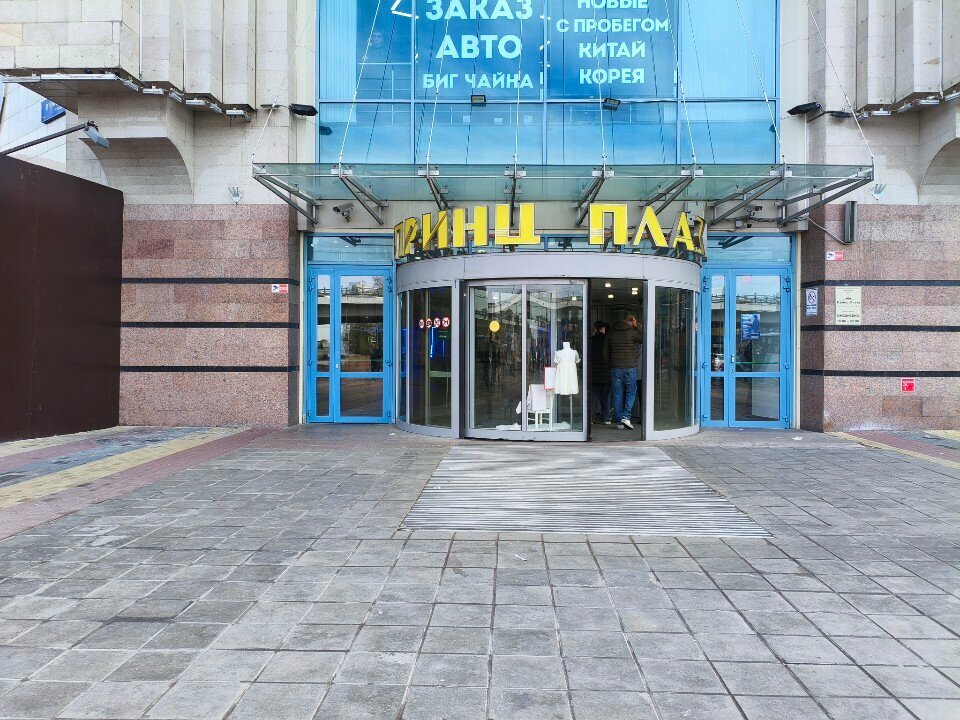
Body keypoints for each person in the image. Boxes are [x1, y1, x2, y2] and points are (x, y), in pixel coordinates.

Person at [608, 315, 642, 429]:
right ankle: (626, 417)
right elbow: (644, 338)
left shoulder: (610, 333)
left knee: (617, 394)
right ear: (630, 323)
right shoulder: (632, 332)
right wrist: (636, 327)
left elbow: (604, 352)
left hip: (615, 368)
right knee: (631, 392)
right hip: (630, 367)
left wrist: (612, 364)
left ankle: (619, 421)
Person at [588, 321, 612, 424]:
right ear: (602, 329)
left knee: (593, 397)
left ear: (595, 329)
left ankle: (591, 419)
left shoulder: (590, 340)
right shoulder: (608, 340)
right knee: (605, 397)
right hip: (606, 373)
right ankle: (606, 418)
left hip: (593, 373)